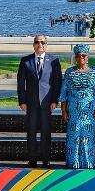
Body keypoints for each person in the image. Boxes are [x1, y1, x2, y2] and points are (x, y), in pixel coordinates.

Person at [17, 34, 62, 168]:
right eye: (37, 42)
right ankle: (32, 159)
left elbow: (57, 82)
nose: (40, 44)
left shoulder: (54, 61)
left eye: (42, 42)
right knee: (31, 131)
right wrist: (22, 101)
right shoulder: (26, 61)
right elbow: (20, 83)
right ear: (33, 44)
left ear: (46, 45)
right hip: (30, 103)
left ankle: (46, 159)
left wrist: (55, 100)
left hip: (47, 103)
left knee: (46, 131)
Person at [59, 44, 95, 169]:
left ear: (88, 57)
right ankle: (73, 163)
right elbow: (64, 92)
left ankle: (88, 163)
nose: (81, 58)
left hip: (89, 111)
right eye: (78, 56)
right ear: (75, 57)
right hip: (73, 110)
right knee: (73, 136)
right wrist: (63, 110)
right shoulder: (70, 72)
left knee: (87, 137)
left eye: (84, 55)